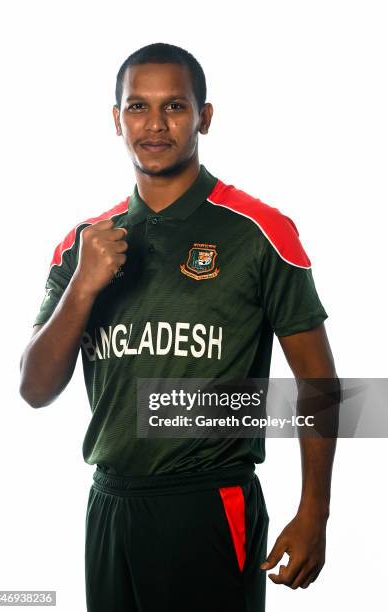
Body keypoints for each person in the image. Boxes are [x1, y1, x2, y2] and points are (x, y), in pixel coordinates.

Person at [19, 42, 338, 612]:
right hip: (109, 502)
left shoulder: (259, 231)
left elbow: (318, 383)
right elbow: (35, 390)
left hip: (207, 502)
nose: (155, 124)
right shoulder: (82, 244)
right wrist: (83, 287)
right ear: (116, 119)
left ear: (204, 117)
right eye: (137, 107)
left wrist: (314, 510)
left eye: (175, 107)